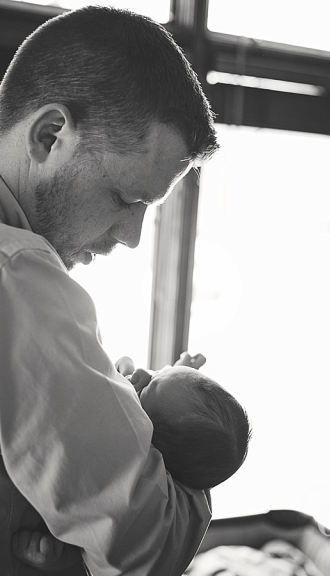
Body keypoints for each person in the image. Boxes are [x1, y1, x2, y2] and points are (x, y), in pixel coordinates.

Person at [0, 5, 219, 576]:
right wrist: (193, 465)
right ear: (51, 136)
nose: (132, 237)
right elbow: (151, 542)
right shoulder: (19, 275)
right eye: (127, 201)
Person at [12, 364, 252, 572]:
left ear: (150, 450)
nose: (139, 372)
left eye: (145, 388)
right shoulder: (183, 465)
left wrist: (64, 561)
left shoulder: (138, 480)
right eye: (158, 371)